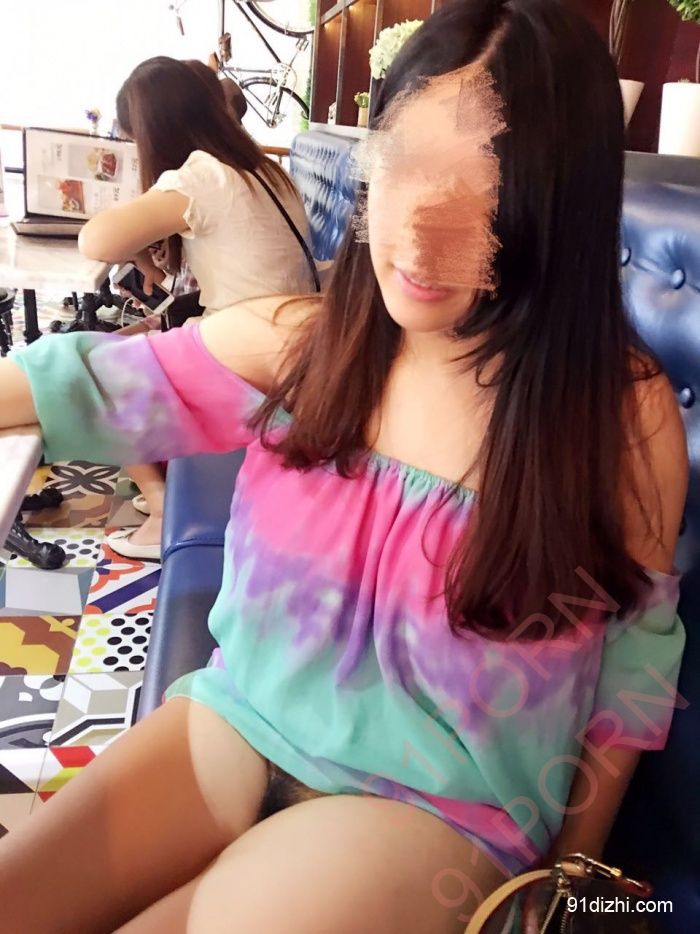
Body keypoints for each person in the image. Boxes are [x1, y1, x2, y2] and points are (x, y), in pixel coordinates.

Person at [0, 1, 687, 931]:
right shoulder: (306, 348)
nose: (424, 230)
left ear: (556, 206)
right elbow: (71, 386)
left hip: (432, 813)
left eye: (485, 188)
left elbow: (633, 661)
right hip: (237, 724)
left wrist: (565, 881)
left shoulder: (617, 413)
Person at [78, 55, 316, 558]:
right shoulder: (268, 170)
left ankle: (162, 509)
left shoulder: (204, 175)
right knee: (127, 341)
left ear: (154, 130)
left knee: (92, 368)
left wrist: (139, 225)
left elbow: (94, 240)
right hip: (293, 354)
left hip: (249, 365)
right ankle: (164, 490)